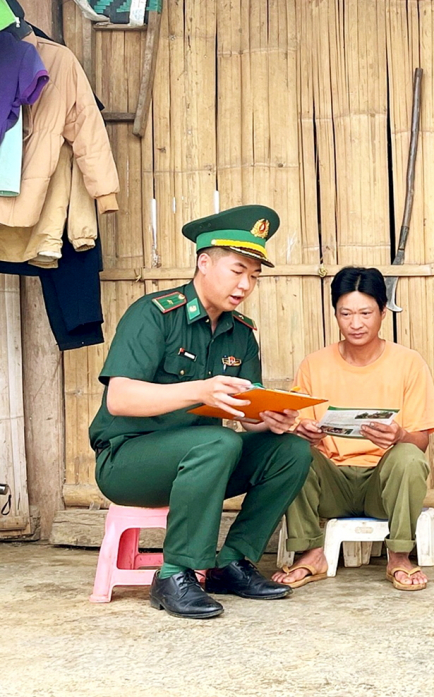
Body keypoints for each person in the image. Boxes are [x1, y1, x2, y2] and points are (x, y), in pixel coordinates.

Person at [89, 205, 314, 620]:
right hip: (128, 461)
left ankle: (232, 562)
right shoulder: (154, 314)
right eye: (237, 270)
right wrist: (198, 390)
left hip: (206, 461)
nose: (245, 285)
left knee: (292, 452)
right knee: (218, 439)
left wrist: (273, 419)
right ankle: (176, 573)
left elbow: (247, 412)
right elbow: (119, 399)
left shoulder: (241, 334)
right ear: (204, 262)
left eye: (254, 276)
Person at [272, 267, 434, 591]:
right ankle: (311, 553)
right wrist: (304, 431)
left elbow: (421, 440)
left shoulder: (409, 363)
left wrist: (400, 436)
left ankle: (399, 557)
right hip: (331, 483)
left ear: (383, 311)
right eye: (345, 313)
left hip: (381, 486)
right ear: (335, 314)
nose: (355, 323)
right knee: (289, 450)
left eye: (365, 312)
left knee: (408, 456)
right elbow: (295, 425)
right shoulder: (314, 364)